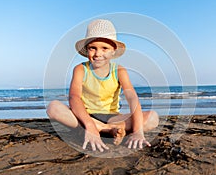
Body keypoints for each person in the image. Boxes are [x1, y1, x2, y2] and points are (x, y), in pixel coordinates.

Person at [47, 19, 159, 152]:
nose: (98, 54)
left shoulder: (119, 71)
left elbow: (132, 98)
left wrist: (138, 132)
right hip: (85, 116)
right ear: (87, 49)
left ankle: (105, 129)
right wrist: (89, 123)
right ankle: (104, 130)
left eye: (104, 48)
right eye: (92, 48)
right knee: (53, 107)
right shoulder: (81, 69)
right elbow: (74, 98)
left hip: (113, 117)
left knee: (153, 118)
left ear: (113, 51)